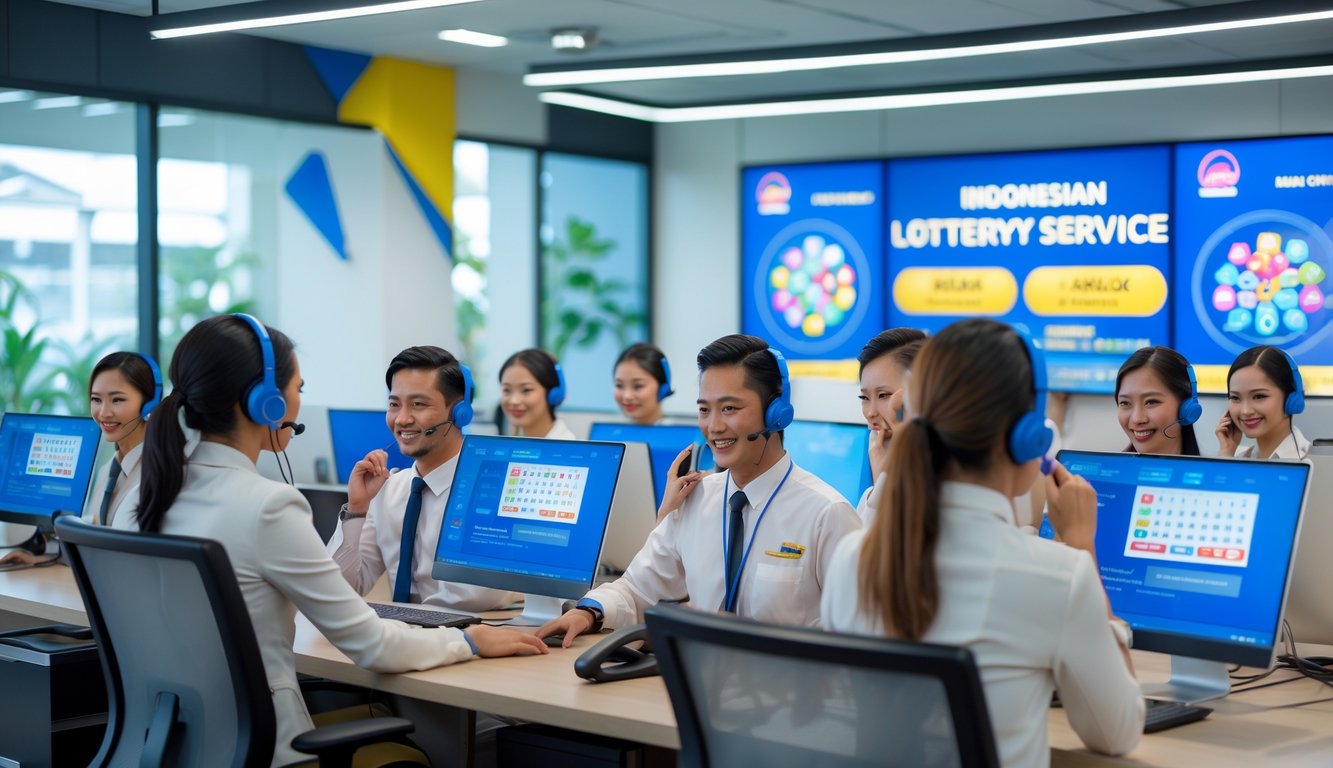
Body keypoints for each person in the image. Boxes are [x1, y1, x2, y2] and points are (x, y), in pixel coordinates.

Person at [120, 314, 545, 767]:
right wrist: (470, 641)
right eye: (298, 389)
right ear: (266, 402)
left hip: (169, 742)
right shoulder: (269, 505)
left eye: (418, 404)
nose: (401, 418)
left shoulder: (142, 498)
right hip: (263, 747)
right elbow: (369, 640)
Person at [822, 319, 1143, 767]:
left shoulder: (851, 560)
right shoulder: (1057, 575)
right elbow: (1118, 732)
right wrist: (1081, 546)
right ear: (1027, 437)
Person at [537, 334, 861, 647]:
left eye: (730, 408)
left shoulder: (826, 514)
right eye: (705, 410)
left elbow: (854, 633)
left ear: (776, 412)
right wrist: (587, 613)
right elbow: (637, 587)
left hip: (790, 691)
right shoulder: (697, 499)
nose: (714, 426)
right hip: (701, 685)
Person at [330, 346, 517, 611]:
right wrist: (357, 509)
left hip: (478, 639)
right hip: (409, 641)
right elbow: (342, 588)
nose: (402, 419)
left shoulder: (492, 490)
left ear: (459, 413)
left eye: (418, 404)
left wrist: (405, 626)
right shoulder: (389, 489)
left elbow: (477, 597)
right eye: (394, 404)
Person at [855, 328, 926, 525]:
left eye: (883, 395)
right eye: (864, 398)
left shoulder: (944, 485)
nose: (870, 412)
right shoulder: (870, 496)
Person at [84, 352, 161, 528]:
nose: (104, 413)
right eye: (96, 399)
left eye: (117, 400)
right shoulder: (106, 471)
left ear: (149, 403)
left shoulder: (161, 471)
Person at [1217, 345, 1310, 460]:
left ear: (1290, 399)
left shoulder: (1315, 462)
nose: (1245, 411)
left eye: (1259, 396)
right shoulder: (1237, 458)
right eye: (1235, 398)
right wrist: (1226, 452)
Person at [1115, 346, 1202, 456]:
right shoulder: (1105, 472)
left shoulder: (1210, 472)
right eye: (1125, 403)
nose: (1137, 419)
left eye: (1151, 402)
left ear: (1186, 408)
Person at [498, 348, 576, 439]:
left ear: (552, 394)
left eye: (526, 390)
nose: (514, 401)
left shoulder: (566, 449)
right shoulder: (514, 443)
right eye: (507, 390)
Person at [613, 342, 673, 425]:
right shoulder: (610, 433)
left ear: (663, 388)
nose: (627, 396)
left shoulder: (678, 435)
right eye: (619, 385)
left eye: (638, 386)